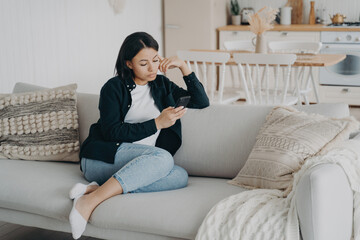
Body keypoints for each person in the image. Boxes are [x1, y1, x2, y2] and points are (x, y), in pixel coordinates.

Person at [68, 31, 209, 239]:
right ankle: (89, 201)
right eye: (144, 63)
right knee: (162, 157)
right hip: (100, 158)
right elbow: (110, 131)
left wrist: (183, 67)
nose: (152, 68)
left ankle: (97, 190)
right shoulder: (113, 87)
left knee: (180, 176)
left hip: (137, 164)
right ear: (128, 64)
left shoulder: (161, 84)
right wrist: (156, 123)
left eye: (155, 60)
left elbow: (201, 101)